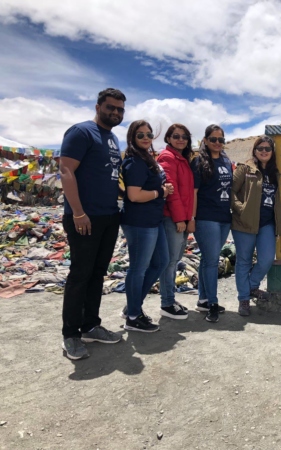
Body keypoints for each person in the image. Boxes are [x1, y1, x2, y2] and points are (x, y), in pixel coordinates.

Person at [59, 88, 126, 360]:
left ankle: (90, 326)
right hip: (84, 217)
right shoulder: (81, 132)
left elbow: (108, 176)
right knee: (80, 275)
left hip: (109, 216)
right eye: (111, 107)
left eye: (120, 109)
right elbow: (66, 170)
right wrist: (77, 212)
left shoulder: (113, 139)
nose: (116, 113)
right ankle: (71, 335)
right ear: (98, 107)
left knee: (98, 273)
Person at [120, 120, 173, 332]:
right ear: (132, 137)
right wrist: (161, 192)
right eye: (140, 135)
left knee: (161, 262)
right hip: (139, 222)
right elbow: (134, 195)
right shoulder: (135, 161)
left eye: (149, 134)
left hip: (153, 220)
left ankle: (132, 307)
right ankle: (133, 317)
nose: (145, 138)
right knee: (138, 268)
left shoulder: (146, 158)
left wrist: (162, 188)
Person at [231, 136, 281, 316]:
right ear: (255, 150)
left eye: (268, 148)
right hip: (244, 223)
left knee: (267, 258)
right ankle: (243, 299)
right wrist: (241, 209)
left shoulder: (276, 172)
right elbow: (231, 191)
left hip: (267, 223)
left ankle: (252, 286)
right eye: (260, 148)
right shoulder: (245, 169)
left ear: (272, 152)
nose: (264, 151)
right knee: (244, 261)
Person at [191, 124, 233, 323]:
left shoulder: (226, 160)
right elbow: (194, 193)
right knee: (212, 261)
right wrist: (191, 218)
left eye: (221, 139)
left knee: (207, 260)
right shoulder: (199, 162)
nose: (218, 143)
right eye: (213, 139)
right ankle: (213, 304)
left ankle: (203, 300)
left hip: (224, 217)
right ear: (205, 141)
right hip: (206, 218)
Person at [156, 124, 195, 320]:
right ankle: (167, 303)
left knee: (174, 259)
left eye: (184, 137)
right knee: (170, 261)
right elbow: (171, 191)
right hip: (172, 217)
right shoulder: (167, 157)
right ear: (168, 138)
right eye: (176, 136)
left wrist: (188, 218)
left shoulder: (182, 159)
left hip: (182, 218)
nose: (181, 140)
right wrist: (179, 218)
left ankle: (169, 298)